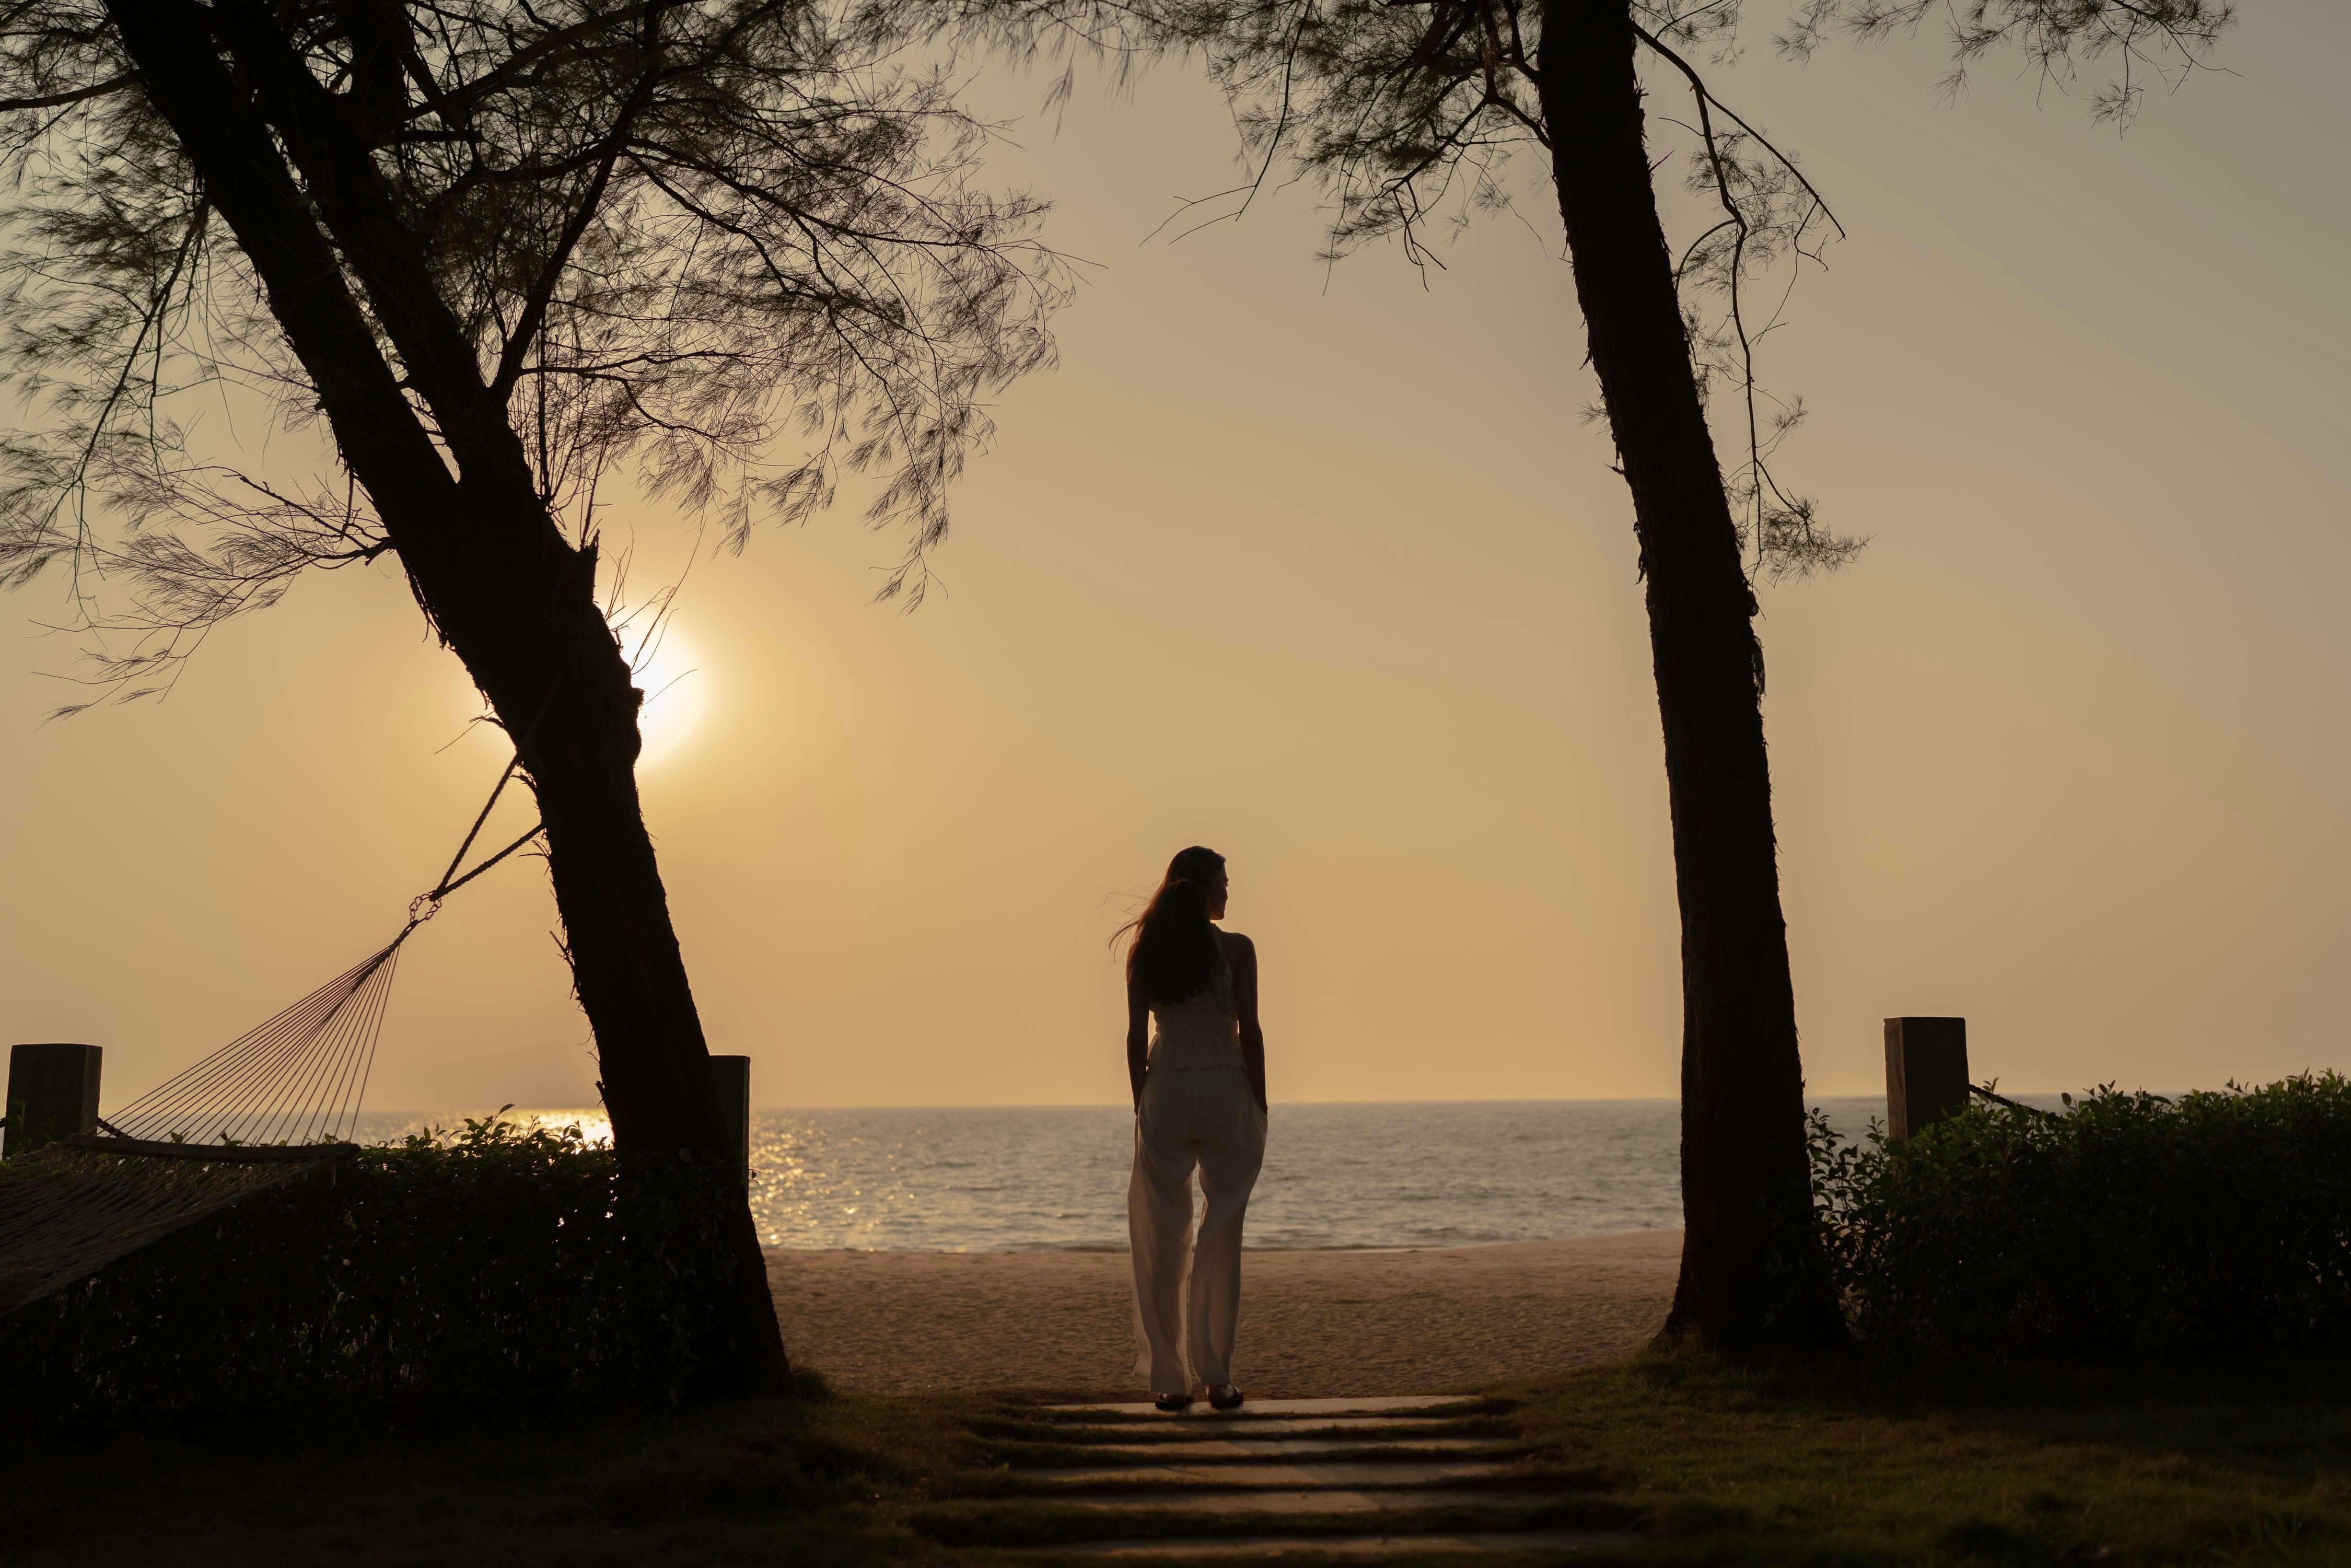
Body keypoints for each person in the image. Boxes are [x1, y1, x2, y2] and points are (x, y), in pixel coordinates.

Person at [1119, 845, 1268, 1412]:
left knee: (1162, 1233)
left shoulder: (1146, 951)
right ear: (1202, 888)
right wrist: (1260, 1099)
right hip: (1226, 1086)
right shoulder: (1237, 950)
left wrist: (1143, 1103)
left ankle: (1169, 1379)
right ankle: (1216, 1377)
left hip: (1167, 1089)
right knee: (1220, 1230)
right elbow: (1249, 1030)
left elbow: (1135, 1038)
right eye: (1222, 883)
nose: (1228, 893)